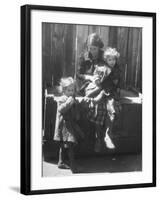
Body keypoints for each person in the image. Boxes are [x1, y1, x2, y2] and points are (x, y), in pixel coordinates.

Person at [53, 77, 84, 173]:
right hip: (64, 126)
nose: (71, 92)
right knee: (69, 145)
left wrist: (76, 109)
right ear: (63, 90)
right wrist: (69, 102)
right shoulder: (62, 99)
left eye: (72, 90)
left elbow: (76, 114)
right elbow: (61, 109)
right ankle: (73, 166)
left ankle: (61, 162)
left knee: (65, 144)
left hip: (70, 125)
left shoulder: (73, 99)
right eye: (68, 90)